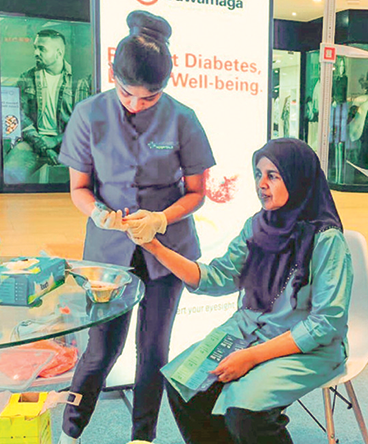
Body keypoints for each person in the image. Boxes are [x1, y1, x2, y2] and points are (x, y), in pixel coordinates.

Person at [56, 11, 216, 443]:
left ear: (165, 86)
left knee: (153, 351)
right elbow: (79, 188)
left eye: (149, 98)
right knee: (100, 350)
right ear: (113, 75)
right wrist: (98, 213)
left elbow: (197, 192)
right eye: (127, 93)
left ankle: (142, 436)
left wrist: (162, 217)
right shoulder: (89, 114)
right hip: (109, 253)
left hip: (168, 249)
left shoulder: (183, 118)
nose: (136, 104)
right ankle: (70, 431)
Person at [146, 138, 352, 444]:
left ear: (297, 178)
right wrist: (154, 246)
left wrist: (252, 356)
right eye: (258, 174)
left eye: (273, 175)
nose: (261, 184)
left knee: (245, 413)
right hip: (248, 332)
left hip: (308, 348)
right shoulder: (257, 227)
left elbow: (325, 324)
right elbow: (219, 277)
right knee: (184, 386)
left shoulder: (327, 240)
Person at [4, 28, 90, 184]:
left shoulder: (79, 81)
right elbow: (19, 116)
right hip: (34, 141)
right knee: (9, 173)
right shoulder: (27, 77)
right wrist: (44, 146)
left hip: (68, 143)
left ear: (58, 53)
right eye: (35, 48)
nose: (36, 53)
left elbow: (84, 124)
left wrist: (56, 140)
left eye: (41, 49)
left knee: (86, 180)